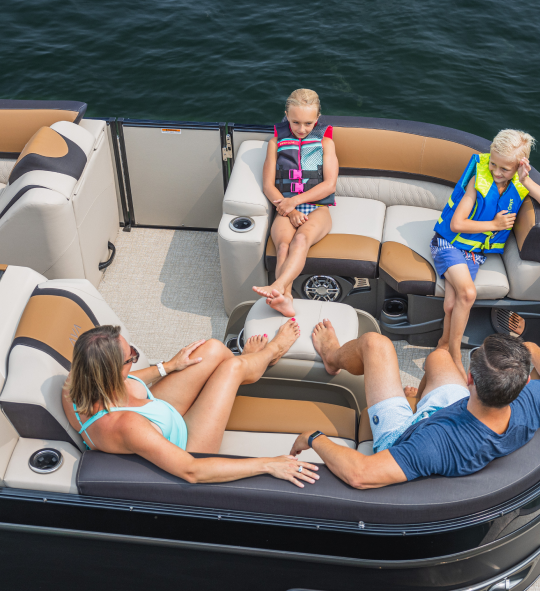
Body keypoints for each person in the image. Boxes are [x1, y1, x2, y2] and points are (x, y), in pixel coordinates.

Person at [62, 324, 320, 488]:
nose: (134, 359)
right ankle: (270, 353)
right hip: (188, 444)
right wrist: (267, 464)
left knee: (212, 349)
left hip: (155, 412)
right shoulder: (126, 426)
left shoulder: (75, 386)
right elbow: (192, 471)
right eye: (132, 357)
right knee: (232, 367)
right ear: (109, 374)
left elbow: (130, 381)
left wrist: (169, 366)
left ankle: (253, 365)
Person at [290, 320, 540, 489]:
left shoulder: (436, 443)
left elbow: (360, 474)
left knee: (375, 344)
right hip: (465, 410)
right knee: (439, 357)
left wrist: (314, 438)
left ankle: (332, 357)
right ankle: (418, 402)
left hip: (406, 434)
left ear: (470, 379)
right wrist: (524, 354)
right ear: (525, 380)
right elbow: (532, 348)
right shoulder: (531, 398)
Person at [431, 129, 540, 379]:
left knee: (451, 304)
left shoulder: (520, 182)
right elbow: (457, 224)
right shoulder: (477, 179)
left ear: (520, 166)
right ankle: (456, 357)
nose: (497, 172)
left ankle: (443, 344)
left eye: (505, 168)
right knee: (468, 293)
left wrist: (528, 181)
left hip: (474, 253)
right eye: (493, 164)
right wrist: (495, 225)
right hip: (448, 244)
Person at [252, 88, 339, 317]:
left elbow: (329, 185)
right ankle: (286, 299)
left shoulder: (326, 144)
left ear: (317, 120)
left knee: (300, 240)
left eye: (309, 123)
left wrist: (296, 202)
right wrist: (289, 210)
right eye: (296, 122)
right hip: (285, 208)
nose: (302, 129)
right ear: (286, 116)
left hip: (317, 208)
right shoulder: (276, 143)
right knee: (282, 247)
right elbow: (268, 186)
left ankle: (278, 287)